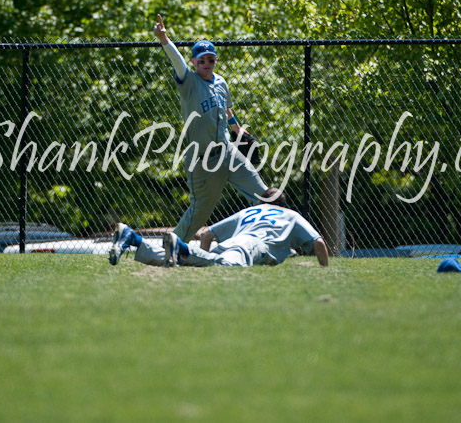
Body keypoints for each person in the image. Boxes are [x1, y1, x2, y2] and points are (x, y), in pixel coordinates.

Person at [147, 14, 268, 256]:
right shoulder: (189, 82)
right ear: (194, 62)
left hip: (228, 152)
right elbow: (177, 62)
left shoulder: (221, 82)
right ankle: (168, 249)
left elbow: (226, 109)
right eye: (201, 60)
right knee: (199, 213)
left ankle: (276, 242)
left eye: (211, 59)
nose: (206, 63)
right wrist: (164, 39)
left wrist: (238, 131)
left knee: (264, 195)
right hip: (203, 161)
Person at [109, 189, 329, 268]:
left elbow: (207, 234)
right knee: (231, 266)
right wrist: (325, 270)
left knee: (200, 260)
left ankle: (133, 239)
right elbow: (318, 243)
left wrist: (203, 254)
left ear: (260, 202)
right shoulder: (290, 214)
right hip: (252, 247)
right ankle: (181, 248)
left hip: (232, 243)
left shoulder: (248, 212)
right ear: (281, 205)